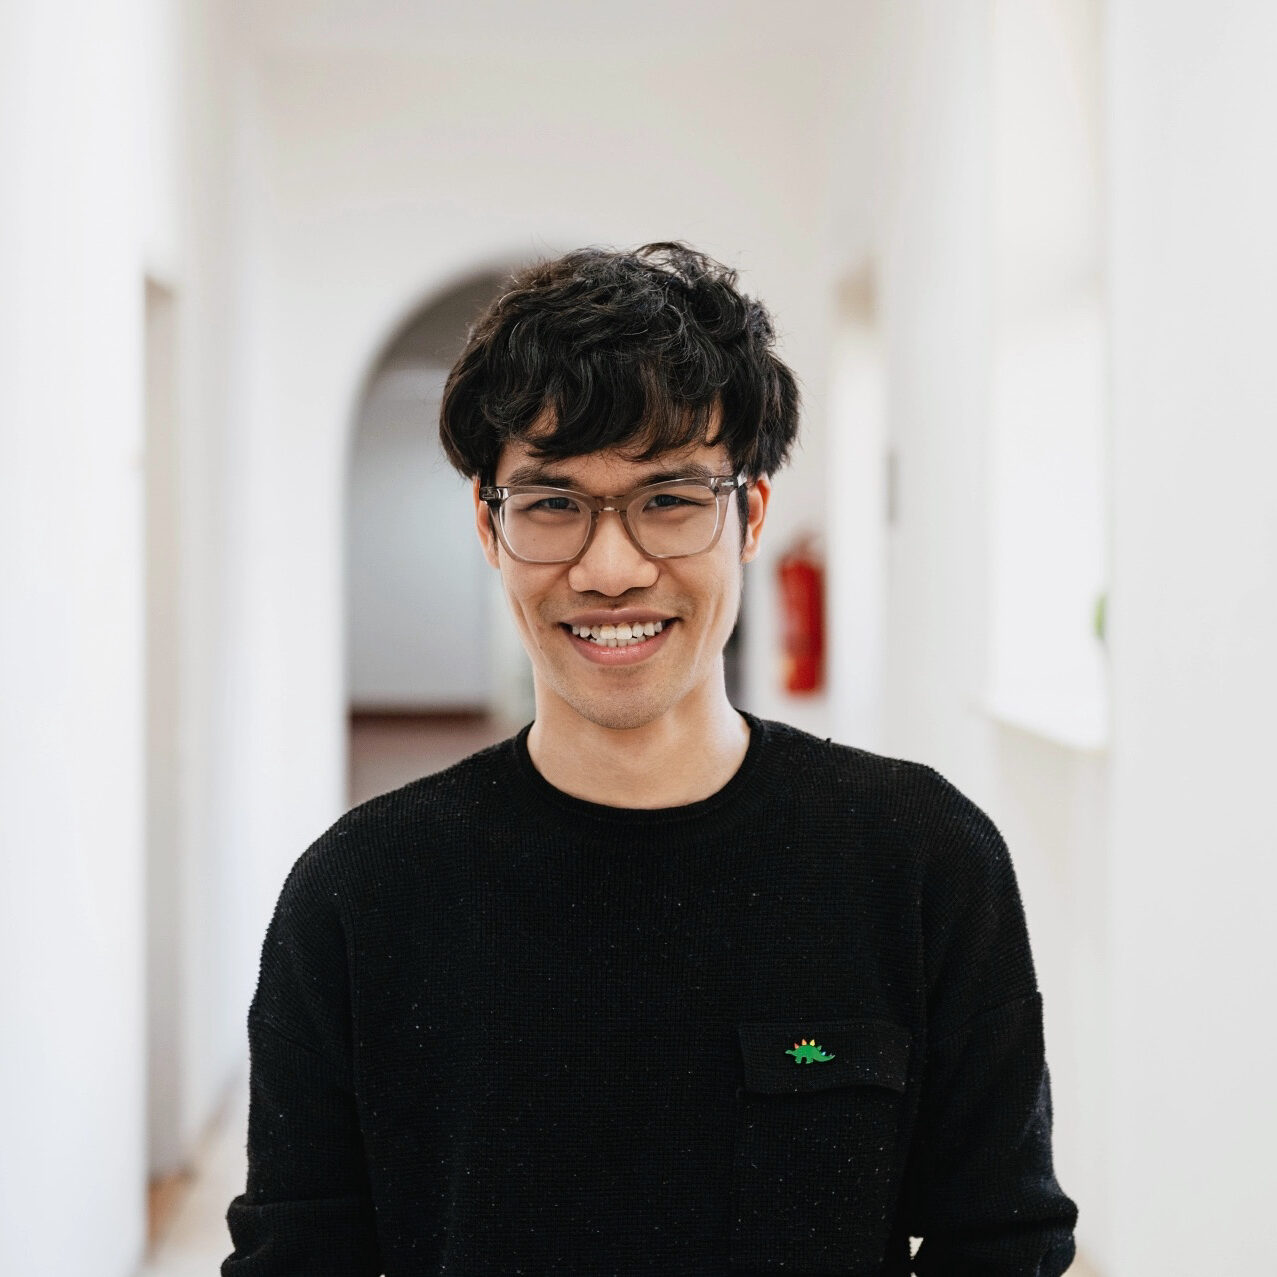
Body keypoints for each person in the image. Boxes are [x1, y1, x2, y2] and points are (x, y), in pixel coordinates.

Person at [222, 242, 1078, 1275]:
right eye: (552, 503)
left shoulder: (919, 858)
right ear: (490, 527)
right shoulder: (358, 895)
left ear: (748, 516)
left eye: (668, 498)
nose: (611, 567)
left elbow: (1001, 1238)